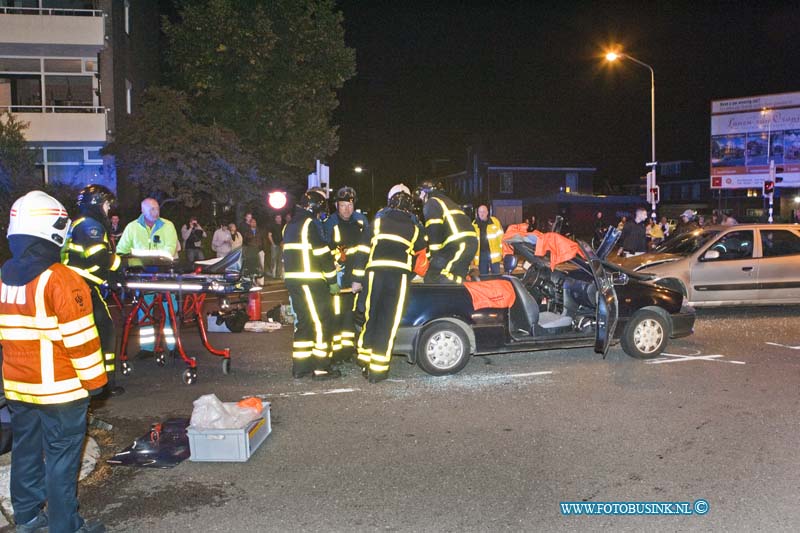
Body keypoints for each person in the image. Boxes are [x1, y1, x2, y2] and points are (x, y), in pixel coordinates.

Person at [0, 191, 108, 533]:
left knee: (26, 452)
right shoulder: (61, 278)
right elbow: (81, 340)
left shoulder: (4, 276)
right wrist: (96, 384)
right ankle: (67, 526)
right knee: (62, 459)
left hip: (19, 388)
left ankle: (28, 518)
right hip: (61, 390)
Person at [357, 184, 427, 382]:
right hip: (398, 278)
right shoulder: (414, 228)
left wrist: (357, 278)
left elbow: (363, 248)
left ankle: (364, 359)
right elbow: (422, 255)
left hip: (375, 275)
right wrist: (414, 273)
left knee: (373, 316)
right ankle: (378, 371)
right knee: (389, 321)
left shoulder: (378, 222)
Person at [63, 184, 124, 397]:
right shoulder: (90, 225)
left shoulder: (83, 223)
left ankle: (100, 381)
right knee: (105, 330)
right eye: (107, 204)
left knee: (93, 332)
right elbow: (98, 256)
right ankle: (106, 383)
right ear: (97, 203)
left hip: (80, 285)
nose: (109, 209)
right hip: (81, 286)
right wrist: (121, 265)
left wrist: (112, 277)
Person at [282, 190, 340, 380]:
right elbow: (322, 254)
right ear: (315, 207)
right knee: (322, 323)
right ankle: (322, 367)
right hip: (311, 282)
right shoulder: (309, 224)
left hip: (294, 282)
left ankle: (301, 366)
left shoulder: (289, 225)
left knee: (304, 323)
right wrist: (332, 281)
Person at [115, 198, 179, 358]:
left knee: (170, 310)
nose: (155, 212)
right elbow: (121, 250)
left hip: (164, 275)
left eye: (157, 208)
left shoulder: (168, 226)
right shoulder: (132, 227)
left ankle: (173, 347)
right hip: (142, 277)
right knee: (144, 312)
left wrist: (142, 257)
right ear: (142, 211)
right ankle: (147, 348)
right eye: (151, 209)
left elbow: (169, 251)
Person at [322, 186, 370, 362]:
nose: (347, 209)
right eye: (343, 205)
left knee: (351, 315)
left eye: (349, 205)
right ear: (336, 205)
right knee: (336, 314)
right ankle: (335, 352)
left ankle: (347, 350)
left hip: (355, 277)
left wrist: (360, 277)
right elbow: (325, 250)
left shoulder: (361, 221)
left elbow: (366, 249)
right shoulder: (330, 223)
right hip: (337, 276)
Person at [414, 180, 477, 284]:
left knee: (434, 275)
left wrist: (434, 258)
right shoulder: (446, 201)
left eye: (421, 194)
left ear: (426, 192)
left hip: (458, 244)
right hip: (467, 243)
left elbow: (434, 230)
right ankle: (465, 291)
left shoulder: (432, 202)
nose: (421, 199)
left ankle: (469, 285)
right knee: (455, 275)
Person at [472, 205, 503, 275]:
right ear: (478, 213)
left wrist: (502, 252)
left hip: (493, 253)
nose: (482, 213)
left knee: (496, 275)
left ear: (487, 213)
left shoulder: (495, 222)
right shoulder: (474, 224)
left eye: (484, 212)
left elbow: (501, 238)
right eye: (480, 212)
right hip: (481, 254)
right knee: (483, 276)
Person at [242, 217, 267, 283]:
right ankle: (252, 281)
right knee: (253, 266)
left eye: (255, 222)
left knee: (261, 266)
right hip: (251, 252)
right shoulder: (247, 232)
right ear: (250, 223)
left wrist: (264, 249)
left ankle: (261, 282)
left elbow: (263, 240)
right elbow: (245, 242)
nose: (254, 223)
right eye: (252, 222)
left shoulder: (260, 231)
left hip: (260, 250)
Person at [268, 214, 284, 278]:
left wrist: (283, 242)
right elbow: (269, 235)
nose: (278, 219)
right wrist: (273, 244)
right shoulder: (272, 226)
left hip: (281, 245)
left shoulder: (283, 226)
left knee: (281, 260)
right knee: (273, 259)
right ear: (275, 219)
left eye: (279, 217)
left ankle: (279, 274)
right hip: (274, 246)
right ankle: (273, 273)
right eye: (277, 218)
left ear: (281, 218)